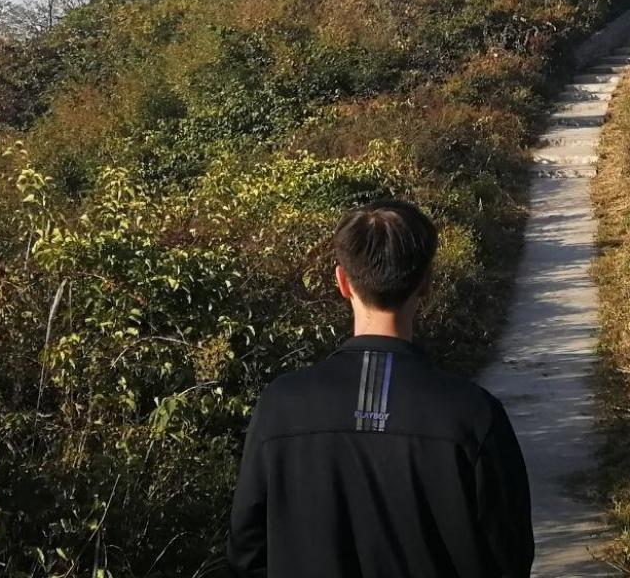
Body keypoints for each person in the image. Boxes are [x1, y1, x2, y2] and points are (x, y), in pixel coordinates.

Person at [226, 198, 534, 578]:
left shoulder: (280, 406)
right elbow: (509, 556)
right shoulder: (472, 414)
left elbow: (247, 550)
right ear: (426, 283)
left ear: (342, 281)